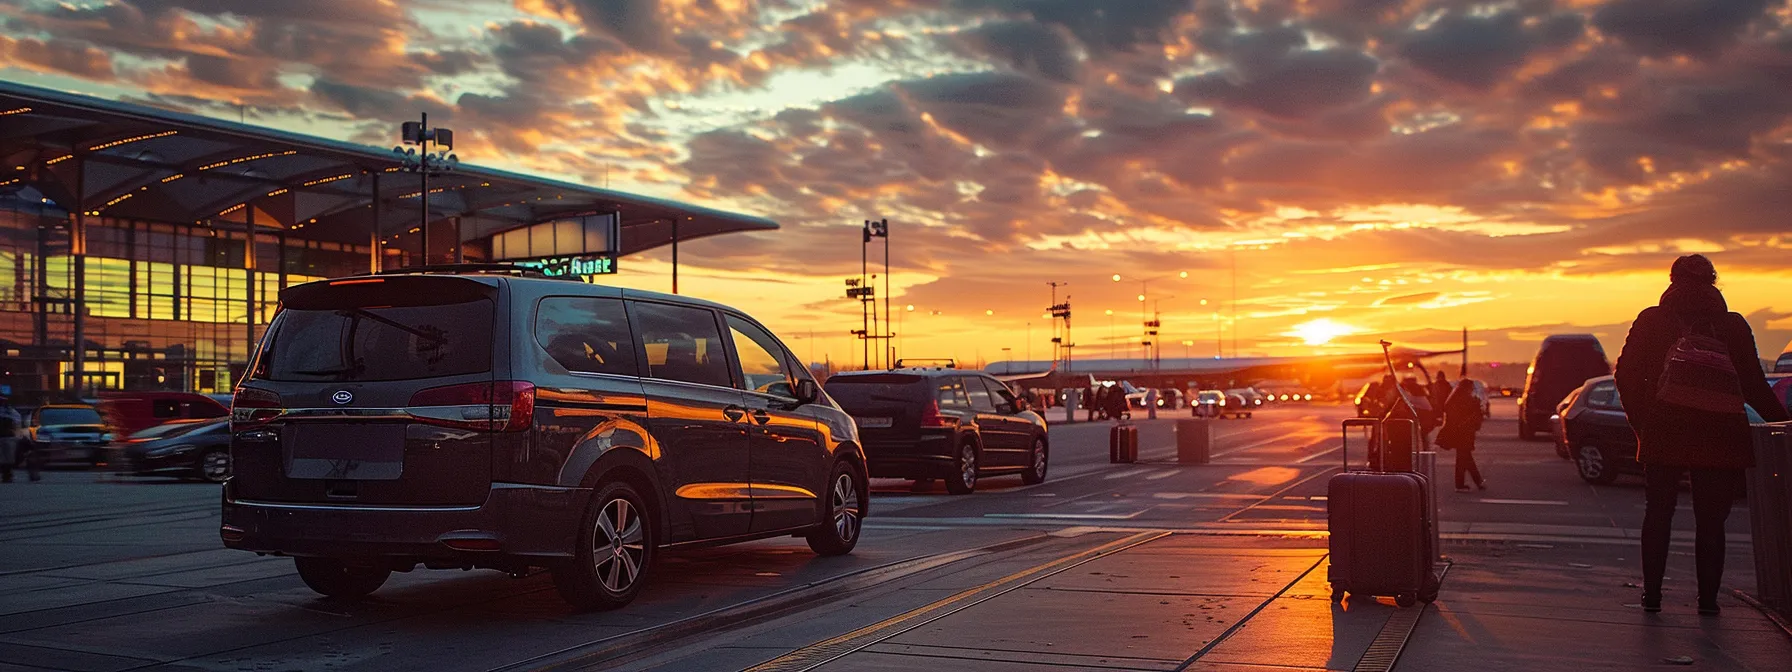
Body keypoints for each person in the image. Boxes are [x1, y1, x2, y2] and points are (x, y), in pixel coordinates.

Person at [1614, 254, 1789, 615]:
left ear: (1672, 280)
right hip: (1721, 432)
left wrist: (1641, 423)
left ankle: (1653, 597)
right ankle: (1707, 602)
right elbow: (1754, 385)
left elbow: (1626, 376)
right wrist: (1785, 422)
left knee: (1658, 514)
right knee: (1711, 521)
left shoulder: (1652, 320)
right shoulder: (1733, 325)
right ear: (1714, 282)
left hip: (1664, 428)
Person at [1435, 379, 1486, 491]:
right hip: (1464, 433)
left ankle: (1471, 482)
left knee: (1464, 458)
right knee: (1465, 458)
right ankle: (1471, 483)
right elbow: (1475, 414)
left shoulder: (1455, 398)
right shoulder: (1467, 400)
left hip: (1459, 432)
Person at [0, 396, 19, 483]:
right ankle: (6, 474)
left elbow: (17, 420)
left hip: (8, 436)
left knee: (8, 457)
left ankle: (7, 475)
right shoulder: (9, 411)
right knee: (5, 457)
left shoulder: (10, 410)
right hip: (6, 437)